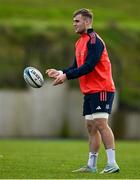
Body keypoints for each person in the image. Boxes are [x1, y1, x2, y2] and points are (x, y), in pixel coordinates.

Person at [46, 8, 120, 174]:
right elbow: (75, 67)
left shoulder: (94, 41)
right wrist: (60, 72)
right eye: (73, 21)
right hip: (89, 91)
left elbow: (88, 66)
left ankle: (112, 164)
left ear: (87, 22)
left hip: (102, 88)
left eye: (77, 21)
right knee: (91, 127)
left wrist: (66, 76)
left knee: (101, 124)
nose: (74, 24)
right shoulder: (79, 42)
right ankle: (91, 166)